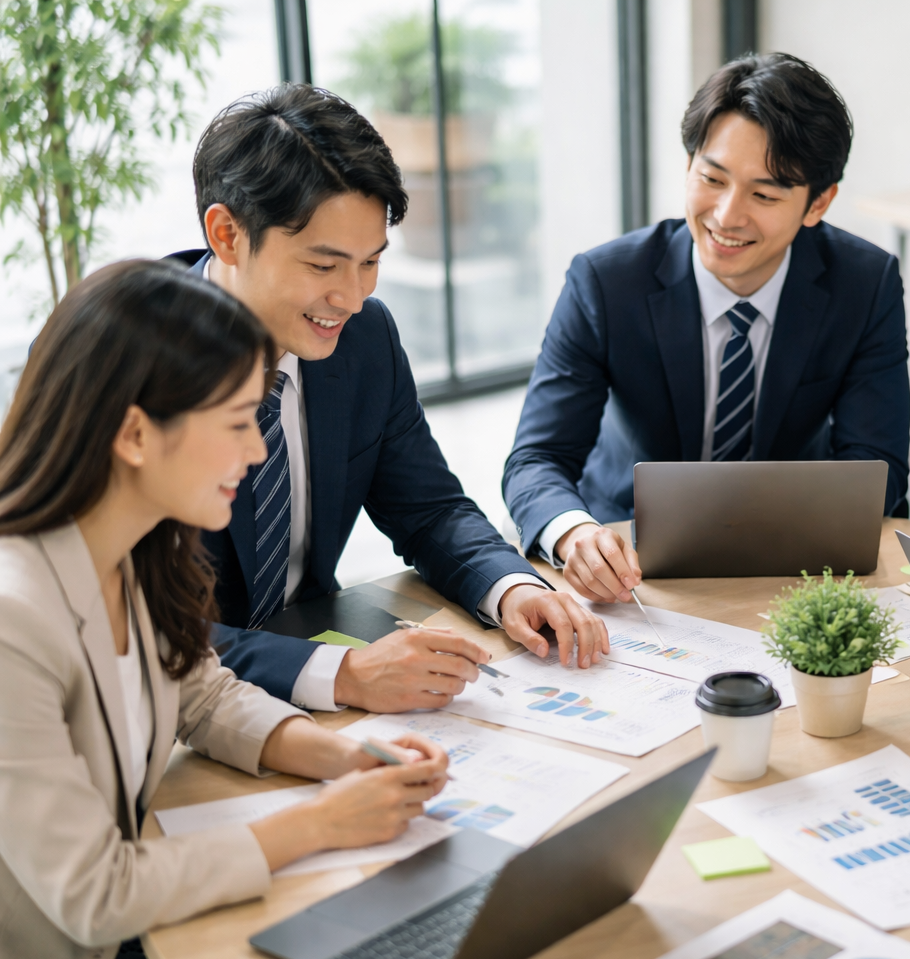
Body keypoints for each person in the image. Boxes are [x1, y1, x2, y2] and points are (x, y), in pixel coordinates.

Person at [0, 261, 455, 959]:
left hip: (141, 934)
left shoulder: (135, 548)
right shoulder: (15, 620)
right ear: (137, 433)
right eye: (237, 421)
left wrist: (342, 756)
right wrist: (319, 823)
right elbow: (93, 894)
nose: (257, 451)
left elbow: (199, 690)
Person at [171, 84, 608, 715]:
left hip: (318, 675)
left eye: (370, 262)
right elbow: (130, 632)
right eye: (323, 267)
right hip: (182, 714)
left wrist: (508, 586)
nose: (350, 297)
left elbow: (427, 509)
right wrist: (342, 673)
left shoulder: (363, 338)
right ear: (227, 234)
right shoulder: (133, 366)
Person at [503, 53, 910, 604]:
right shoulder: (606, 282)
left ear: (819, 202)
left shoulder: (864, 283)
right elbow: (537, 459)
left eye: (764, 195)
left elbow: (877, 465)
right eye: (711, 178)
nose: (726, 215)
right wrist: (574, 532)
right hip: (625, 560)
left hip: (793, 560)